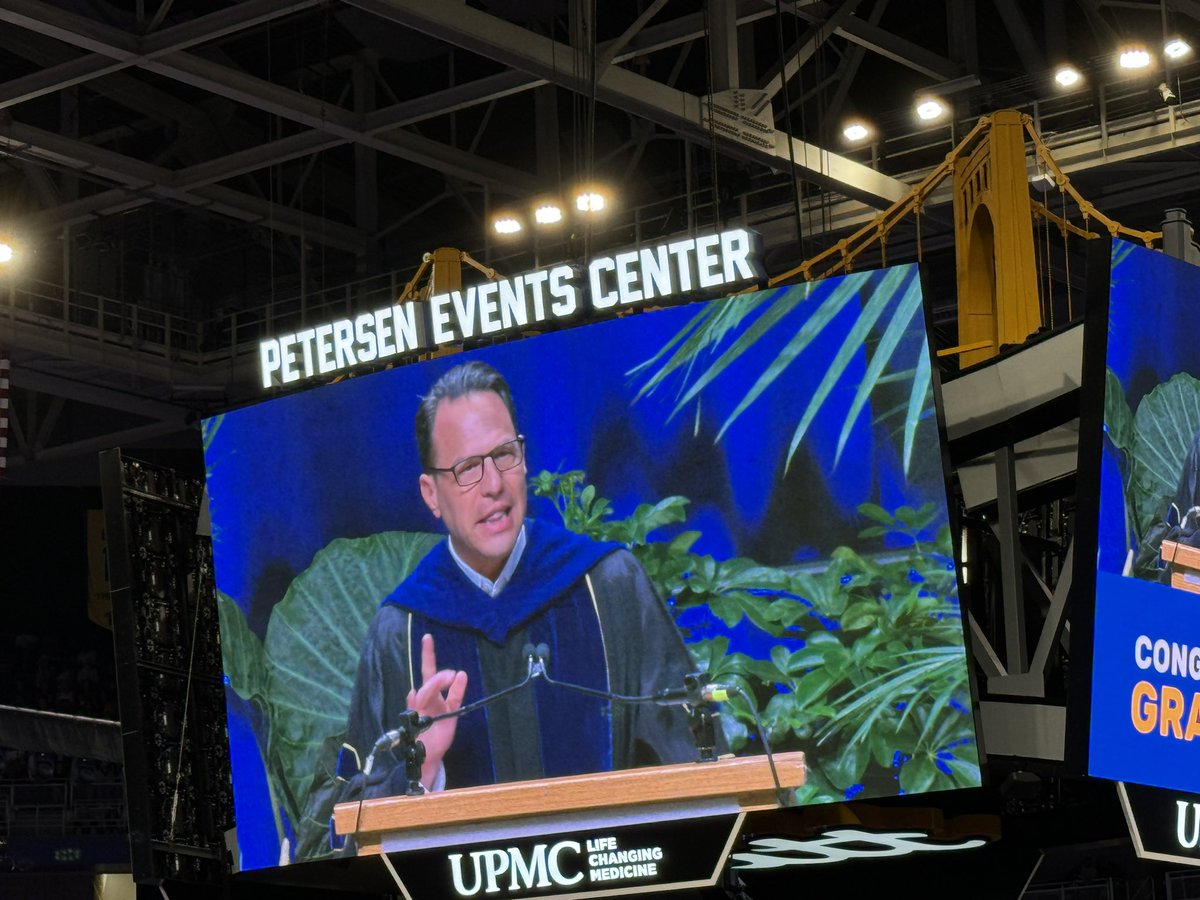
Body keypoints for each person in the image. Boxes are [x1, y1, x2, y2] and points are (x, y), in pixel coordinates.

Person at [343, 361, 699, 798]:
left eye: (504, 455)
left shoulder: (608, 584)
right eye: (467, 468)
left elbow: (689, 760)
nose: (493, 484)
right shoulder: (402, 632)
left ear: (524, 459)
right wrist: (424, 766)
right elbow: (351, 812)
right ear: (431, 494)